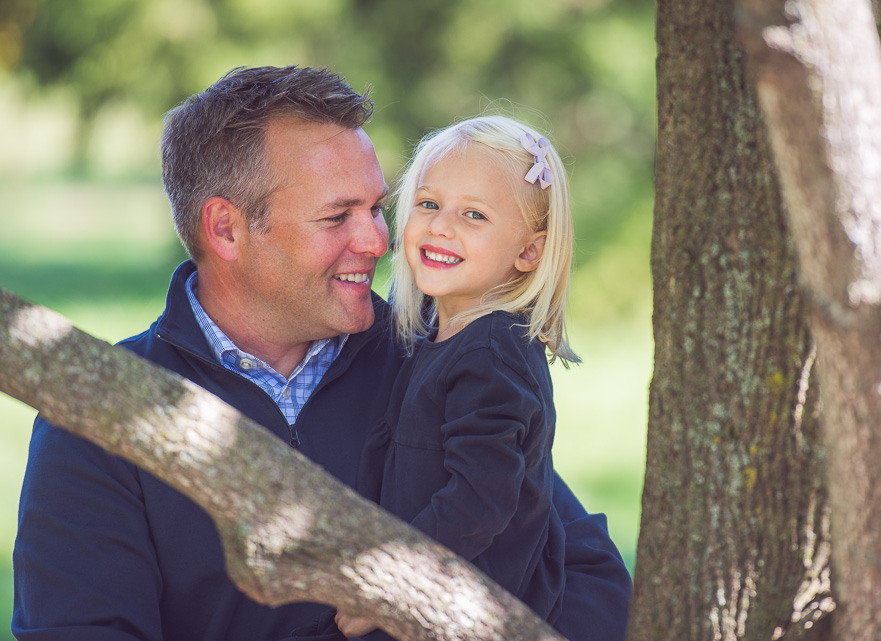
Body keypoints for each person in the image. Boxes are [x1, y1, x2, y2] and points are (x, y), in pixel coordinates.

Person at [12, 66, 632, 641]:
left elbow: (583, 575)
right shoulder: (102, 421)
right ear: (226, 229)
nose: (377, 240)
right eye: (338, 217)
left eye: (378, 208)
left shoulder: (433, 359)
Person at [336, 116, 579, 639]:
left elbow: (478, 499)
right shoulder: (435, 332)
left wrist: (386, 584)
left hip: (470, 614)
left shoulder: (493, 354)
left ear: (528, 252)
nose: (441, 226)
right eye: (428, 204)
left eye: (474, 214)